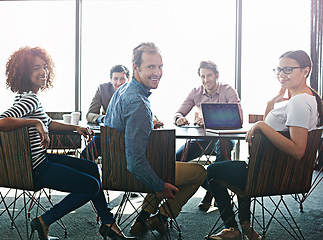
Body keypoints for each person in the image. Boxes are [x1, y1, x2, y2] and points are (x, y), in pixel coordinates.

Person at [0, 46, 136, 240]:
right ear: (24, 73)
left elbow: (48, 123)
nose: (43, 72)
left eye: (44, 67)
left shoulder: (32, 98)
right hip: (37, 168)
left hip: (41, 160)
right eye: (36, 68)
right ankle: (44, 220)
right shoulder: (29, 100)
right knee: (91, 186)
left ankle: (108, 223)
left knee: (92, 168)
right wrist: (34, 123)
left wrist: (75, 128)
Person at [206, 50, 323, 240]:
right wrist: (271, 103)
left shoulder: (298, 102)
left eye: (288, 69)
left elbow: (298, 150)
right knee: (237, 171)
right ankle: (245, 226)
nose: (281, 74)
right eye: (278, 69)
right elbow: (273, 128)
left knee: (213, 170)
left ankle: (233, 228)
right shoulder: (307, 99)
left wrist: (260, 125)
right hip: (275, 171)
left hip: (269, 175)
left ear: (305, 71)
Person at [105, 42, 207, 236]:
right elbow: (135, 163)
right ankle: (161, 218)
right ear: (135, 67)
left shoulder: (123, 90)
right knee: (200, 172)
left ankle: (142, 220)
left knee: (160, 167)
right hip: (128, 173)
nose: (157, 72)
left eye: (160, 66)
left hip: (114, 167)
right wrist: (160, 187)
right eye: (150, 66)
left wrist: (147, 124)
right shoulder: (138, 103)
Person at [174, 60, 243, 212]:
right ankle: (212, 189)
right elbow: (179, 112)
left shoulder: (228, 90)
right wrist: (179, 118)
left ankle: (212, 194)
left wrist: (208, 119)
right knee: (177, 159)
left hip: (224, 137)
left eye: (209, 75)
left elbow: (238, 118)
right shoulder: (195, 92)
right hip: (203, 139)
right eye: (202, 77)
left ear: (217, 75)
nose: (206, 80)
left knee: (223, 145)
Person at [83, 65, 130, 157]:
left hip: (128, 135)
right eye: (115, 79)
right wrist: (103, 118)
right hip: (108, 134)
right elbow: (90, 115)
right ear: (111, 79)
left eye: (122, 79)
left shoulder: (134, 91)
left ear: (128, 80)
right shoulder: (102, 89)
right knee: (92, 148)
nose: (119, 82)